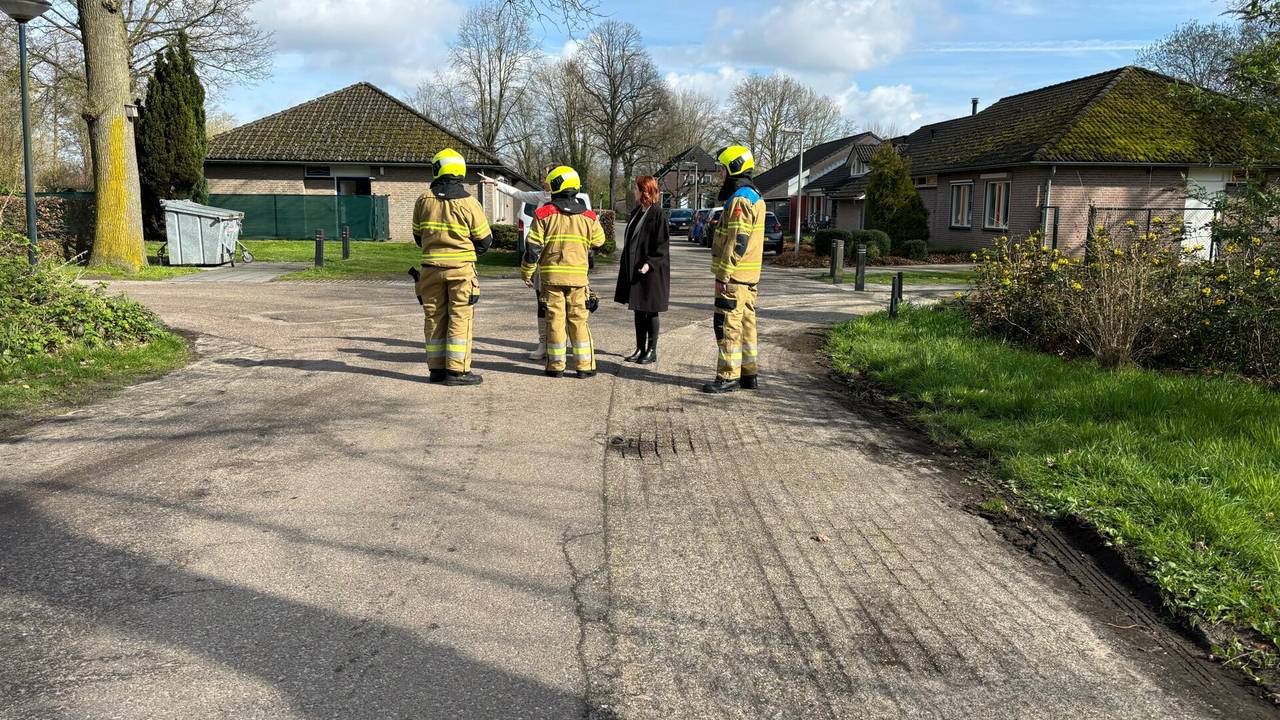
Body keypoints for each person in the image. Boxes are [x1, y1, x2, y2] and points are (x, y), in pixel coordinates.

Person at [412, 148, 493, 386]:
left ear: (438, 169)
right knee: (460, 317)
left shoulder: (423, 200)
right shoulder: (469, 203)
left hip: (430, 269)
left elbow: (418, 236)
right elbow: (485, 240)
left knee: (434, 317)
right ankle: (457, 372)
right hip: (461, 270)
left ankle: (436, 370)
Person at [521, 166, 605, 379]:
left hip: (551, 280)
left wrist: (527, 272)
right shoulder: (588, 215)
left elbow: (532, 248)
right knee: (578, 322)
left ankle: (556, 365)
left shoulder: (543, 214)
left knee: (555, 322)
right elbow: (599, 240)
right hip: (578, 280)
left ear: (557, 186)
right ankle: (584, 366)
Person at [703, 145, 765, 394]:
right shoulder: (755, 197)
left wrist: (724, 274)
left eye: (722, 169)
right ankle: (748, 374)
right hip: (749, 279)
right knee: (748, 325)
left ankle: (728, 376)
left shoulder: (739, 200)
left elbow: (737, 240)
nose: (720, 174)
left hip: (734, 279)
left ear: (733, 168)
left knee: (727, 325)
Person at [480, 167, 556, 361]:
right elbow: (520, 193)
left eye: (546, 175)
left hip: (559, 260)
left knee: (562, 306)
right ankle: (543, 343)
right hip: (540, 259)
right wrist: (496, 184)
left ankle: (560, 344)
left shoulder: (567, 202)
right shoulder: (541, 196)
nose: (542, 178)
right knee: (541, 302)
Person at [614, 175, 670, 364]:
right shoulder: (637, 211)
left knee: (650, 311)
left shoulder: (658, 214)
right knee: (638, 309)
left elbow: (662, 245)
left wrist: (649, 263)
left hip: (652, 272)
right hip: (636, 269)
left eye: (637, 189)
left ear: (645, 191)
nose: (634, 192)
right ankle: (640, 348)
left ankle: (652, 351)